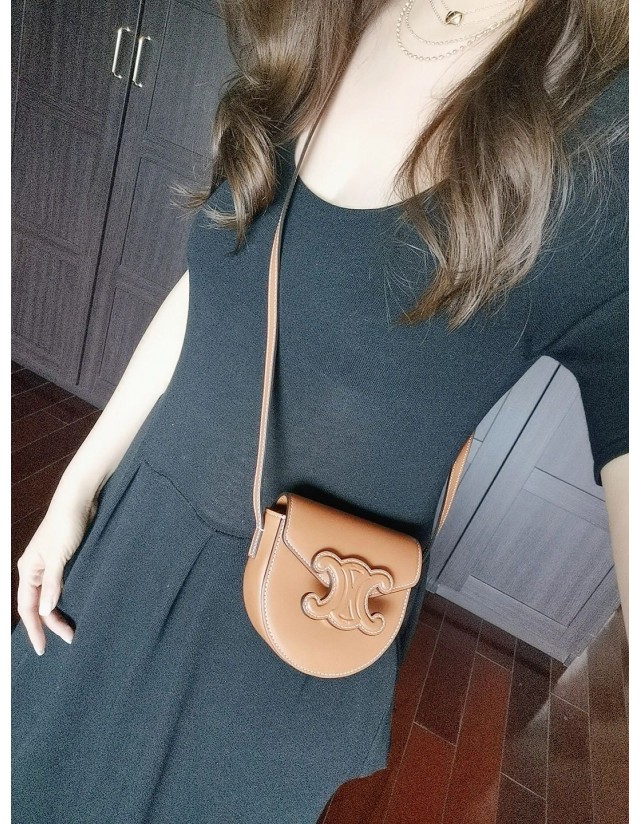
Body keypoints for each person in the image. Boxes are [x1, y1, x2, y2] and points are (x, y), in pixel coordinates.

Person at [11, 0, 628, 822]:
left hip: (293, 635)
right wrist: (76, 488)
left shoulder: (610, 133)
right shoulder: (323, 19)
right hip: (124, 549)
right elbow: (217, 284)